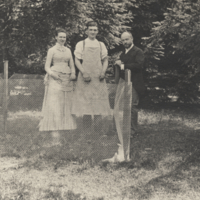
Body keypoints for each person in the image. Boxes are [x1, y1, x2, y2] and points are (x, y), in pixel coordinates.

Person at [39, 28, 77, 145]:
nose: (62, 39)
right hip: (55, 78)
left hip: (67, 79)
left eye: (64, 37)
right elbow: (46, 67)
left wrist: (73, 73)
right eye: (60, 37)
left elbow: (72, 64)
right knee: (54, 103)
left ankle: (65, 128)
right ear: (56, 37)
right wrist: (53, 75)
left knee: (65, 104)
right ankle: (54, 131)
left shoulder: (68, 50)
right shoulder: (52, 50)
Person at [71, 21, 111, 132]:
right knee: (86, 102)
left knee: (98, 102)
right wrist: (83, 72)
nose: (93, 32)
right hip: (85, 77)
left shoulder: (101, 44)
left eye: (95, 30)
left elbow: (105, 60)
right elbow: (77, 60)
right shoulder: (81, 44)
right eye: (91, 29)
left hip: (98, 77)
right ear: (86, 31)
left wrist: (103, 72)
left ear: (97, 31)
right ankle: (87, 130)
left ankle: (97, 130)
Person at [115, 31, 145, 138]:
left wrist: (122, 65)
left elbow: (138, 66)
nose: (125, 42)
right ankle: (126, 129)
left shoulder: (138, 51)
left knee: (132, 107)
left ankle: (132, 131)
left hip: (135, 83)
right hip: (124, 83)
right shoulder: (123, 53)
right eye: (123, 40)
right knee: (126, 107)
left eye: (127, 39)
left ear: (132, 39)